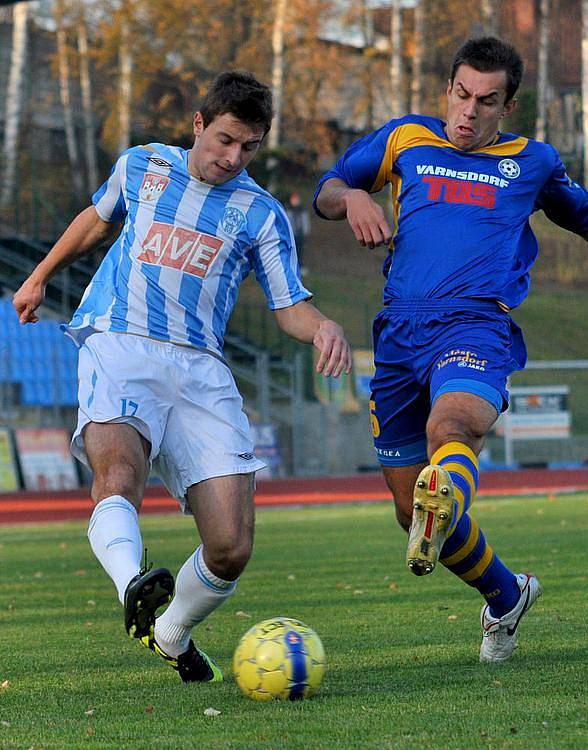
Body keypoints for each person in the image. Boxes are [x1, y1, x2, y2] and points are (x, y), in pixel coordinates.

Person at [13, 71, 351, 683]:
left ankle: (170, 630)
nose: (232, 157)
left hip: (200, 368)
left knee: (231, 546)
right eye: (224, 139)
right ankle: (132, 586)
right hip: (119, 342)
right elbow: (97, 218)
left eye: (248, 147)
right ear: (198, 123)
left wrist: (323, 325)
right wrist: (39, 275)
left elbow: (287, 306)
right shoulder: (142, 166)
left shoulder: (260, 213)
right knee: (119, 471)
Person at [314, 37, 588, 662]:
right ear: (448, 90)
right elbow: (328, 188)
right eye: (461, 95)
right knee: (411, 509)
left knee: (454, 423)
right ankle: (505, 595)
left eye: (486, 102)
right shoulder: (405, 138)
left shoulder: (533, 161)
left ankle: (449, 500)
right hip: (398, 332)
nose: (468, 111)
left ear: (507, 107)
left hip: (475, 326)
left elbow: (584, 215)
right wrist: (355, 196)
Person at [284, 191, 311, 273]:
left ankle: (300, 266)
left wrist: (306, 231)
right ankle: (290, 265)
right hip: (291, 234)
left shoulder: (302, 210)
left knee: (299, 250)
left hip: (300, 234)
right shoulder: (288, 210)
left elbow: (305, 221)